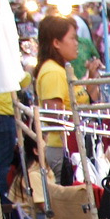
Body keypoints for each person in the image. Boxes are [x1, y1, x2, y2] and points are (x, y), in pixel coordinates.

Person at [32, 14, 85, 181]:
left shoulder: (60, 69)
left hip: (70, 147)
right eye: (72, 38)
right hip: (63, 150)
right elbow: (54, 119)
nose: (77, 43)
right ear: (56, 43)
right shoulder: (53, 73)